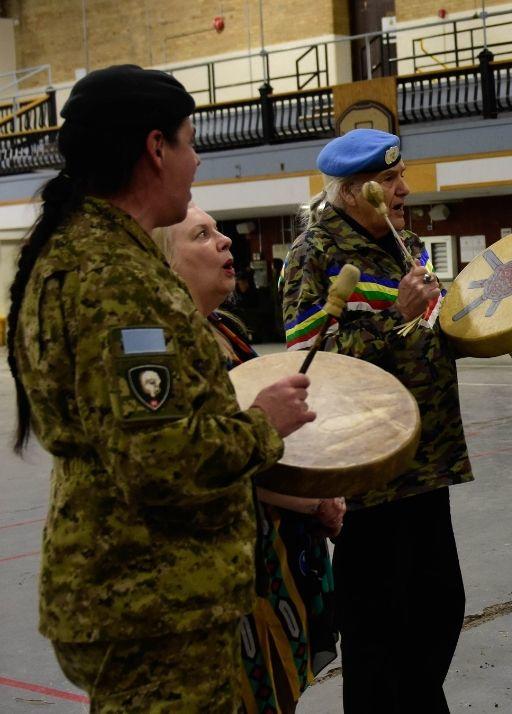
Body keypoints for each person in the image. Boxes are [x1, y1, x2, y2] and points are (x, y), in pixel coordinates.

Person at [5, 65, 314, 711]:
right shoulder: (116, 280)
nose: (197, 161)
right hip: (153, 599)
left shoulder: (80, 253)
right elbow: (159, 458)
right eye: (190, 142)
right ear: (155, 149)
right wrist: (264, 422)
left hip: (138, 591)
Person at [280, 128, 471, 712]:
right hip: (369, 471)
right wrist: (397, 320)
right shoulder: (314, 252)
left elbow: (430, 329)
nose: (404, 189)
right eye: (389, 180)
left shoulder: (407, 243)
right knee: (377, 626)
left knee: (440, 606)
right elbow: (308, 360)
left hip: (427, 456)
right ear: (353, 191)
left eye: (400, 176)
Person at [159, 204, 344, 713]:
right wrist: (311, 502)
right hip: (226, 568)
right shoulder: (169, 349)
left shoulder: (225, 327)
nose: (225, 242)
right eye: (202, 235)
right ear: (164, 263)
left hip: (271, 555)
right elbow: (204, 462)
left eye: (219, 231)